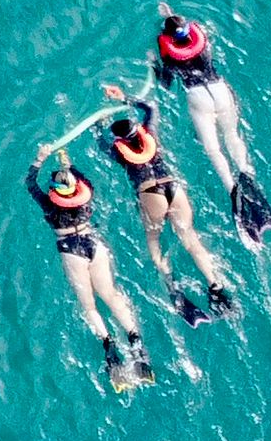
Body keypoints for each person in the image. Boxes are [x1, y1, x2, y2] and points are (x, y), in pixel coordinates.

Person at [99, 88, 235, 321]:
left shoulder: (118, 151)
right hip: (173, 187)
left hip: (150, 192)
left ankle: (173, 287)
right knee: (190, 239)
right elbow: (150, 107)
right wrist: (123, 98)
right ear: (138, 132)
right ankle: (216, 287)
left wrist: (100, 124)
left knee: (154, 241)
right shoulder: (150, 134)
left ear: (121, 140)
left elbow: (101, 142)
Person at [31, 149, 153, 392]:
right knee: (110, 294)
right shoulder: (86, 199)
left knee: (89, 306)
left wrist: (40, 159)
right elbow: (84, 180)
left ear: (55, 194)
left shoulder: (49, 206)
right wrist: (68, 163)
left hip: (71, 250)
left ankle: (109, 346)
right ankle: (134, 339)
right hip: (93, 244)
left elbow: (30, 183)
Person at [153, 5, 271, 239]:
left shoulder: (169, 52)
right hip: (220, 89)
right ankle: (246, 174)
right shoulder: (201, 43)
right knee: (232, 136)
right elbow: (187, 31)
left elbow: (166, 82)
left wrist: (153, 64)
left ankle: (233, 190)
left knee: (213, 148)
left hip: (198, 96)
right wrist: (170, 15)